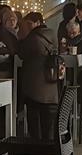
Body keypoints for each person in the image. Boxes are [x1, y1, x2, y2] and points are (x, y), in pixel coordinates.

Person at [17, 11, 61, 140]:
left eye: (29, 23)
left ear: (37, 23)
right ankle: (48, 142)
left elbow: (22, 53)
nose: (27, 26)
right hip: (51, 82)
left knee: (34, 117)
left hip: (34, 83)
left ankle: (36, 143)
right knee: (48, 121)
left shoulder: (32, 38)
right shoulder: (52, 33)